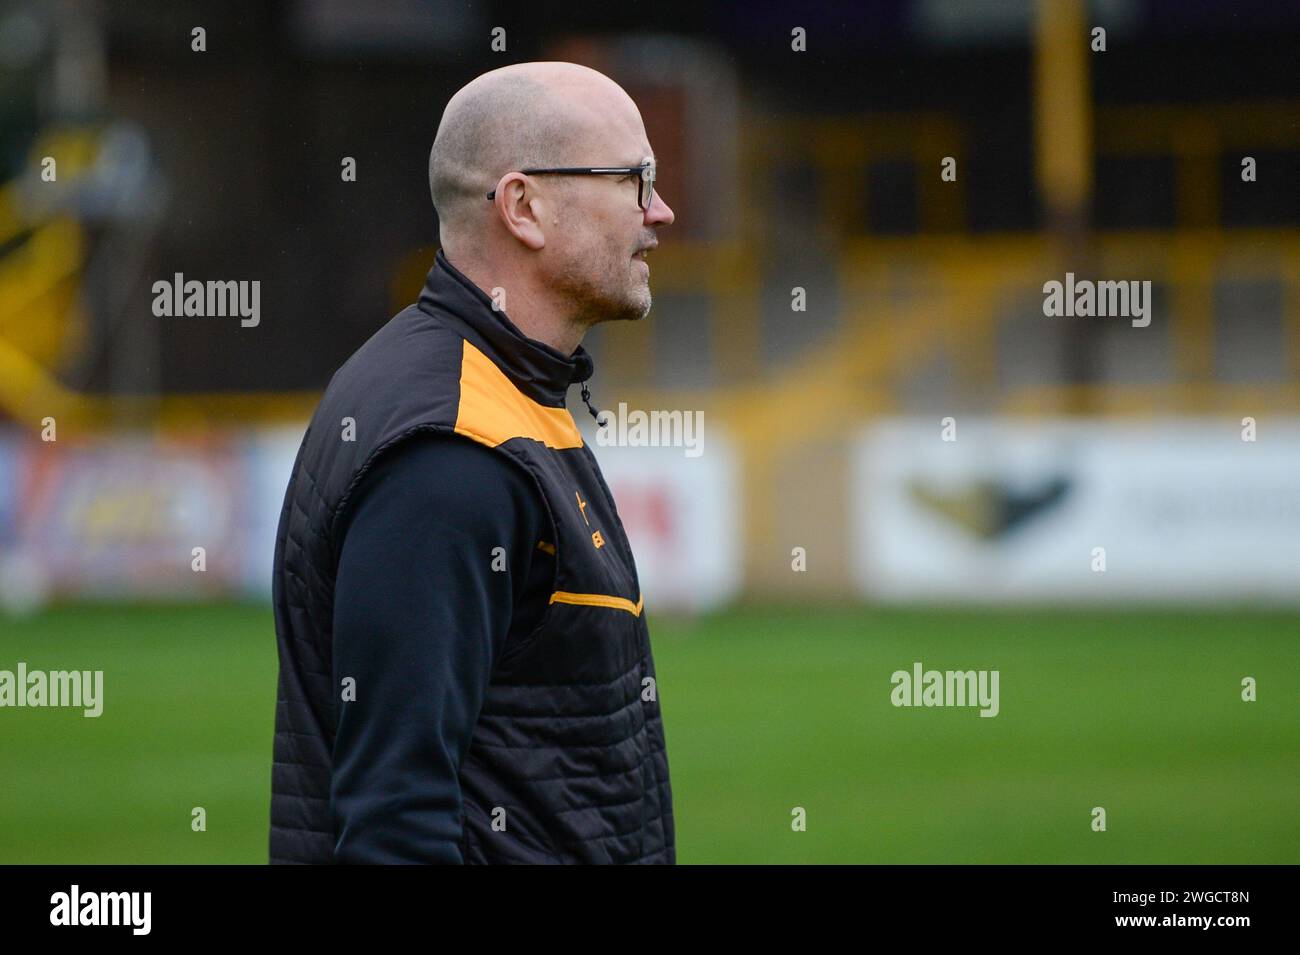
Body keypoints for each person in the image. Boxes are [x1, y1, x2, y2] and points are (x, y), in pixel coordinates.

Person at [269, 61, 677, 864]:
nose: (660, 211)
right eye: (635, 179)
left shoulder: (497, 391)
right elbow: (396, 823)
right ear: (524, 206)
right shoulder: (451, 446)